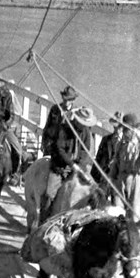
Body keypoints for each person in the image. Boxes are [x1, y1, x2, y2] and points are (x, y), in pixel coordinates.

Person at [39, 86, 97, 221]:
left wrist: (80, 167)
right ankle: (43, 222)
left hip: (77, 168)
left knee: (91, 190)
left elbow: (86, 151)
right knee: (49, 194)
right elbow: (60, 149)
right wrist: (71, 164)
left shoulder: (86, 133)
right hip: (60, 166)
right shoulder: (64, 129)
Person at [113, 112, 140, 222]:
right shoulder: (121, 144)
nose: (125, 132)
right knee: (117, 211)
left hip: (136, 182)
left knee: (135, 215)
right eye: (124, 130)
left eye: (127, 130)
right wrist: (111, 180)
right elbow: (116, 164)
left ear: (133, 130)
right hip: (122, 181)